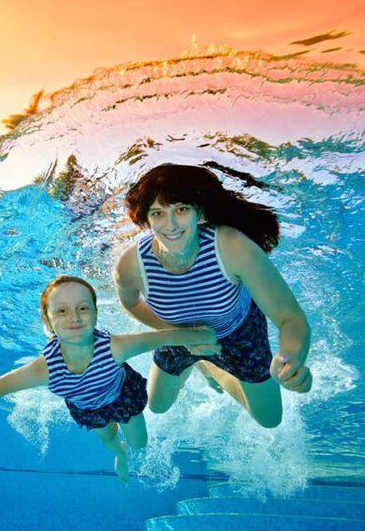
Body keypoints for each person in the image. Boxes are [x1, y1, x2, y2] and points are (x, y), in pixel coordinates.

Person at [0, 275, 219, 483]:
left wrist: (206, 338)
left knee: (140, 441)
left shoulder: (113, 347)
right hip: (86, 407)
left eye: (84, 308)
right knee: (111, 440)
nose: (75, 317)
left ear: (96, 314)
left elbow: (162, 337)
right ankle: (120, 457)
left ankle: (188, 378)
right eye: (62, 311)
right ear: (48, 322)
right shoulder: (45, 368)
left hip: (122, 395)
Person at [113, 162, 312, 429]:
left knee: (269, 420)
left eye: (181, 210)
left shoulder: (231, 247)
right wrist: (181, 335)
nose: (170, 225)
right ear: (145, 220)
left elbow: (291, 318)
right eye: (158, 213)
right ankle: (203, 362)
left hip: (239, 331)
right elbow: (130, 303)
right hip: (178, 333)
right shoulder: (130, 266)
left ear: (199, 211)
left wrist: (291, 358)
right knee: (157, 406)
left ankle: (213, 368)